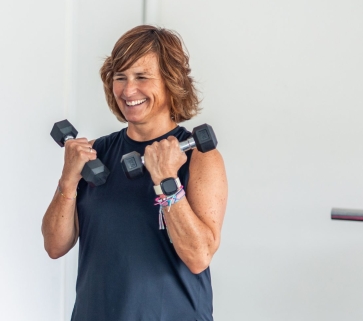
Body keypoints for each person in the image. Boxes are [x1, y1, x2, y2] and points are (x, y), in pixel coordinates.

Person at [42, 25, 228, 320]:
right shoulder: (96, 155)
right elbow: (54, 246)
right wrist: (67, 180)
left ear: (171, 81)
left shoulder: (198, 157)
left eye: (142, 77)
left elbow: (198, 256)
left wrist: (166, 180)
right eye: (120, 78)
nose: (128, 91)